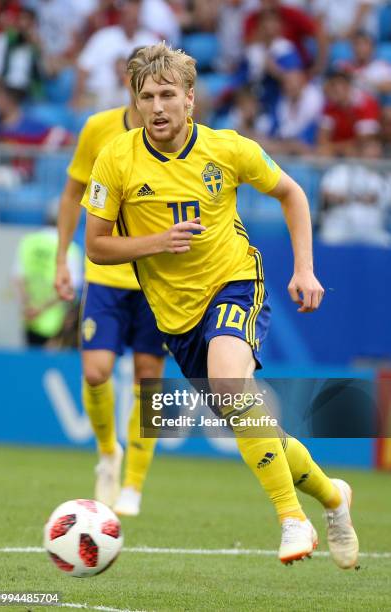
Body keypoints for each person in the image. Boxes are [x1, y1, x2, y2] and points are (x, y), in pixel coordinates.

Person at [82, 42, 359, 568]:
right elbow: (96, 244)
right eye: (147, 96)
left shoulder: (228, 149)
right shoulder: (116, 158)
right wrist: (156, 242)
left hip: (233, 282)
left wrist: (304, 269)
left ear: (190, 99)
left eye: (168, 94)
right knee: (252, 421)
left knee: (233, 387)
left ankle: (290, 518)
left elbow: (293, 193)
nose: (157, 106)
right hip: (175, 315)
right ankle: (331, 496)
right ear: (135, 103)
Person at [55, 48, 166, 516]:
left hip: (157, 279)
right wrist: (63, 258)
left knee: (148, 378)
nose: (153, 100)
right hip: (105, 272)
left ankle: (135, 485)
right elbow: (73, 192)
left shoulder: (171, 138)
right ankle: (108, 452)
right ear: (129, 85)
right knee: (96, 369)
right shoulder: (99, 129)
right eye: (143, 85)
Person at [14, 204, 83, 348]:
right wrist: (42, 309)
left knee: (30, 364)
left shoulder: (29, 241)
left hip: (30, 320)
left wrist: (30, 308)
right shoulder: (71, 249)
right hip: (56, 325)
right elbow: (70, 291)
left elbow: (19, 279)